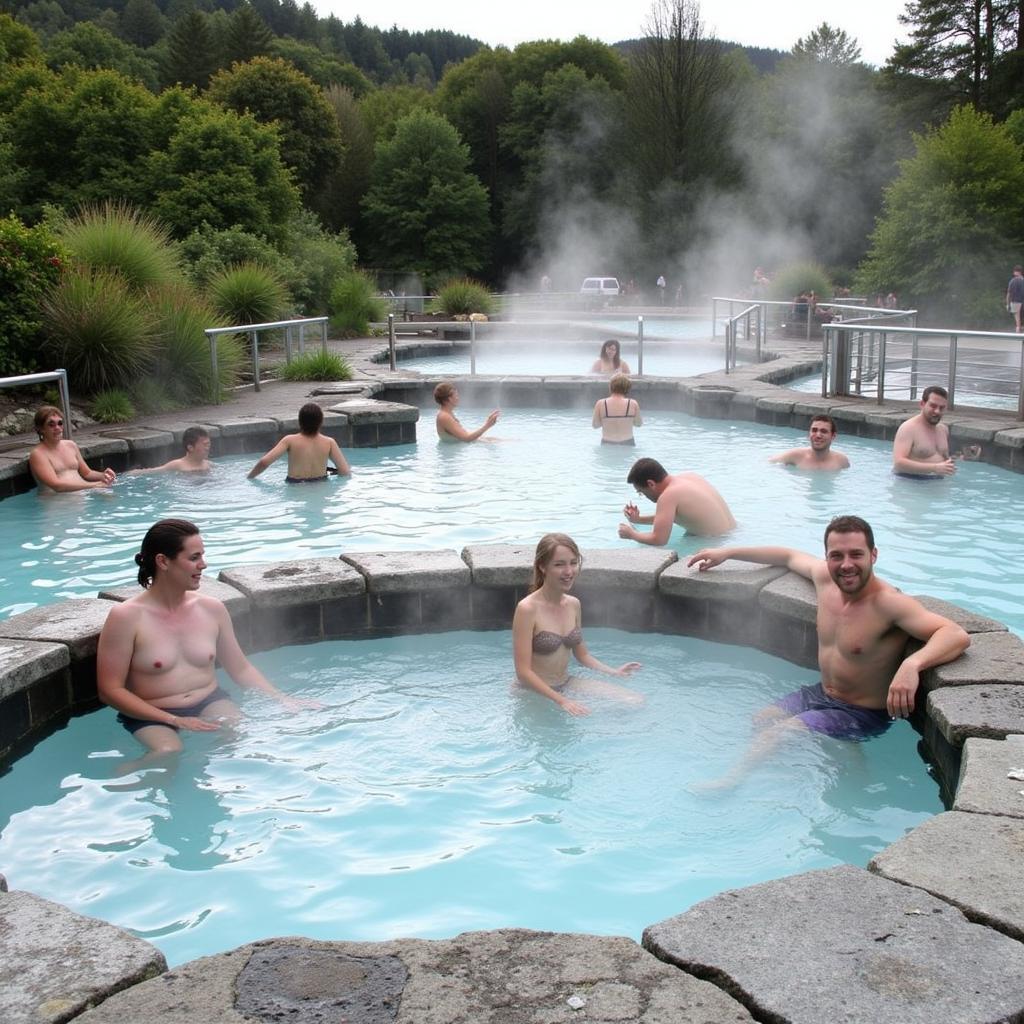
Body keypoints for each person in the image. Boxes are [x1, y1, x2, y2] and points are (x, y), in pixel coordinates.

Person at [687, 515, 970, 788]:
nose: (846, 565)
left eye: (856, 555)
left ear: (873, 555)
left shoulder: (889, 604)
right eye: (837, 555)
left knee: (782, 732)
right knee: (761, 720)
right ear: (826, 558)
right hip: (822, 693)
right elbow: (786, 556)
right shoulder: (824, 581)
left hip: (863, 713)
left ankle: (731, 781)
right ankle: (841, 749)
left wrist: (912, 665)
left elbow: (955, 634)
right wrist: (726, 552)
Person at [96, 519, 304, 755]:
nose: (203, 565)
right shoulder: (126, 617)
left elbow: (241, 669)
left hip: (209, 700)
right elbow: (110, 690)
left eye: (202, 556)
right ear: (163, 561)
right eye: (194, 558)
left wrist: (281, 698)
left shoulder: (211, 609)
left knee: (241, 733)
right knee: (168, 751)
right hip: (152, 711)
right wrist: (176, 720)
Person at [512, 533, 642, 716]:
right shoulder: (527, 609)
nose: (569, 571)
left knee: (635, 701)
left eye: (573, 563)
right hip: (532, 690)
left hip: (566, 682)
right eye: (559, 564)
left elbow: (583, 655)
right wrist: (562, 701)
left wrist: (614, 672)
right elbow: (523, 672)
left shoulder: (573, 604)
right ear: (542, 566)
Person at [619, 457, 735, 544]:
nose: (643, 496)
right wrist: (638, 520)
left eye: (641, 492)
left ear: (651, 484)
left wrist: (631, 534)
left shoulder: (668, 496)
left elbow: (659, 540)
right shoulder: (690, 477)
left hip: (714, 542)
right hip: (733, 534)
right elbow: (668, 517)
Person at [248, 403, 351, 482]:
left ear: (299, 422)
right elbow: (345, 471)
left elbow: (264, 462)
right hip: (320, 484)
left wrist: (250, 477)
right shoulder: (329, 442)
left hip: (295, 485)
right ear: (321, 422)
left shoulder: (289, 440)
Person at [28, 405, 116, 493]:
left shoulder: (71, 445)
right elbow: (57, 486)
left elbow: (87, 473)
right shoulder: (38, 454)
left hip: (83, 497)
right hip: (56, 503)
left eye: (60, 423)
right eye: (51, 424)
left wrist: (103, 476)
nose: (57, 428)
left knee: (111, 497)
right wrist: (94, 485)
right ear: (41, 429)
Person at [892, 385, 955, 477]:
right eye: (933, 406)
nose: (937, 411)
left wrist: (963, 458)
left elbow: (944, 460)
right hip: (910, 482)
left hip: (938, 483)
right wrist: (935, 468)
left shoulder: (943, 429)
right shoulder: (908, 428)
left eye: (941, 408)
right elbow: (898, 463)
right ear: (922, 404)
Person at [769, 415, 850, 471]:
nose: (818, 435)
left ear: (833, 436)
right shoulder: (794, 456)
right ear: (809, 433)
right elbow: (769, 464)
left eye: (823, 431)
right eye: (814, 430)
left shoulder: (841, 461)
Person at [433, 382, 500, 442]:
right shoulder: (444, 417)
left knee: (495, 440)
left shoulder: (447, 413)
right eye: (456, 396)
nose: (458, 398)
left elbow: (463, 435)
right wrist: (487, 425)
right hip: (455, 450)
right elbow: (466, 438)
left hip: (458, 446)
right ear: (449, 399)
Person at [131, 426, 212, 474]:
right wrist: (136, 473)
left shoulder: (208, 464)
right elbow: (154, 471)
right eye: (205, 445)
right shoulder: (178, 465)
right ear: (190, 447)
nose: (208, 448)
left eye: (208, 444)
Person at [592, 374, 643, 445]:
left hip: (607, 443)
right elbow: (638, 424)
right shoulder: (633, 403)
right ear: (627, 388)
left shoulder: (601, 403)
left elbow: (595, 425)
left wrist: (607, 420)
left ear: (611, 386)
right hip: (627, 443)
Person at [1006, 265, 1024, 333]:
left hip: (1015, 303)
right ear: (1021, 272)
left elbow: (1008, 294)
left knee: (1018, 322)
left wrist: (1007, 304)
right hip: (1022, 302)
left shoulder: (1012, 281)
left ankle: (1018, 334)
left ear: (1014, 272)